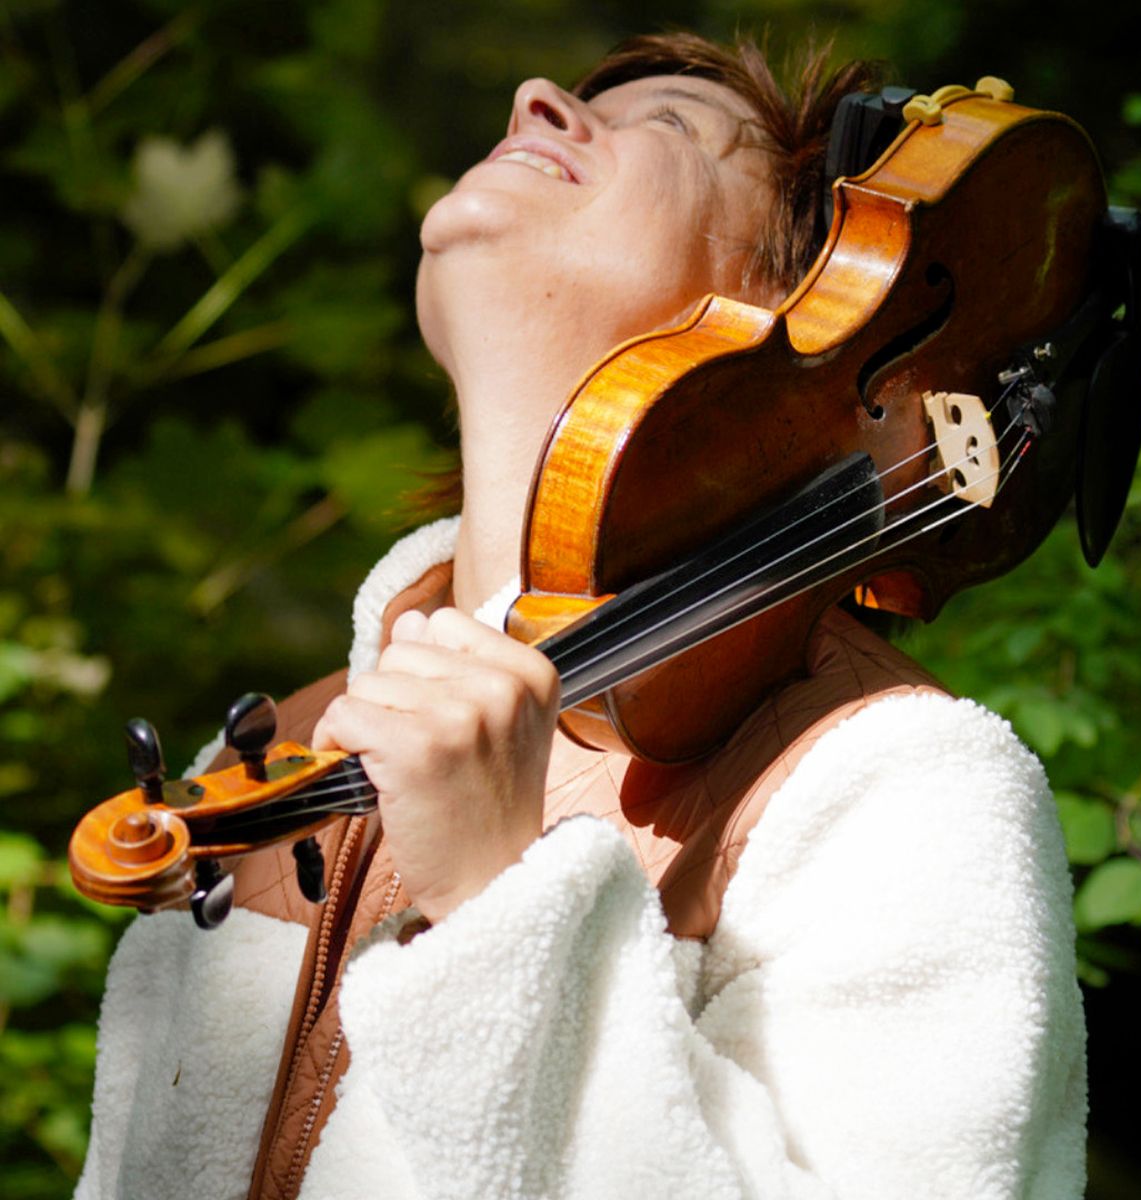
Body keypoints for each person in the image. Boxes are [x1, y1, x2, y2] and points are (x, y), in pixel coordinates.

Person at [75, 33, 1086, 1200]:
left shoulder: (896, 784)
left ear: (800, 315)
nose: (535, 96)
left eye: (666, 126)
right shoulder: (288, 745)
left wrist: (505, 902)